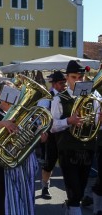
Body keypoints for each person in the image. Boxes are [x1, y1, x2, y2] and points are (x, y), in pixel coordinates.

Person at [50, 60, 102, 214]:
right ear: (67, 78)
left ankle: (71, 207)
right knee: (74, 192)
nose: (78, 81)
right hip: (68, 149)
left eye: (81, 77)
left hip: (88, 147)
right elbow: (52, 126)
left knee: (81, 188)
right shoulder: (59, 99)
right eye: (74, 77)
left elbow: (98, 123)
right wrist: (69, 121)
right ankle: (72, 207)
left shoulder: (95, 96)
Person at [0, 80, 38, 215]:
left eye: (12, 91)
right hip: (1, 161)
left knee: (24, 195)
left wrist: (40, 133)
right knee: (1, 198)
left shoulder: (22, 112)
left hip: (21, 160)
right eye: (6, 91)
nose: (10, 94)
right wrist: (4, 123)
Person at [40, 71, 67, 199]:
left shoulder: (69, 96)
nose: (64, 86)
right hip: (52, 135)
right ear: (55, 84)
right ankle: (45, 186)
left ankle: (73, 191)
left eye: (65, 83)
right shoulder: (47, 98)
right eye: (62, 83)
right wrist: (42, 131)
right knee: (49, 162)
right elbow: (40, 117)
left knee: (68, 163)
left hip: (66, 133)